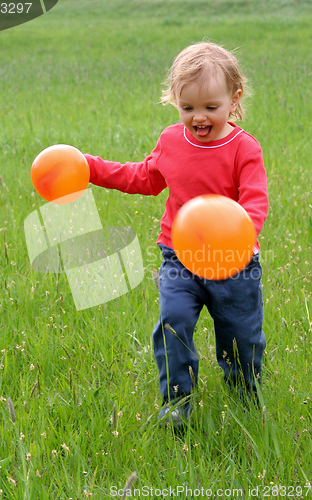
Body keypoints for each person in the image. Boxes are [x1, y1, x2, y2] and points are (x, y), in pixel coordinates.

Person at [84, 41, 268, 428]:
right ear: (175, 102)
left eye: (210, 108)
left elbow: (255, 202)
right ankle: (176, 402)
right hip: (179, 257)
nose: (199, 117)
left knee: (241, 338)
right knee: (173, 322)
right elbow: (144, 178)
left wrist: (239, 235)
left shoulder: (243, 149)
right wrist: (90, 168)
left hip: (233, 264)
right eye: (188, 108)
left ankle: (245, 397)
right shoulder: (171, 140)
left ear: (234, 101)